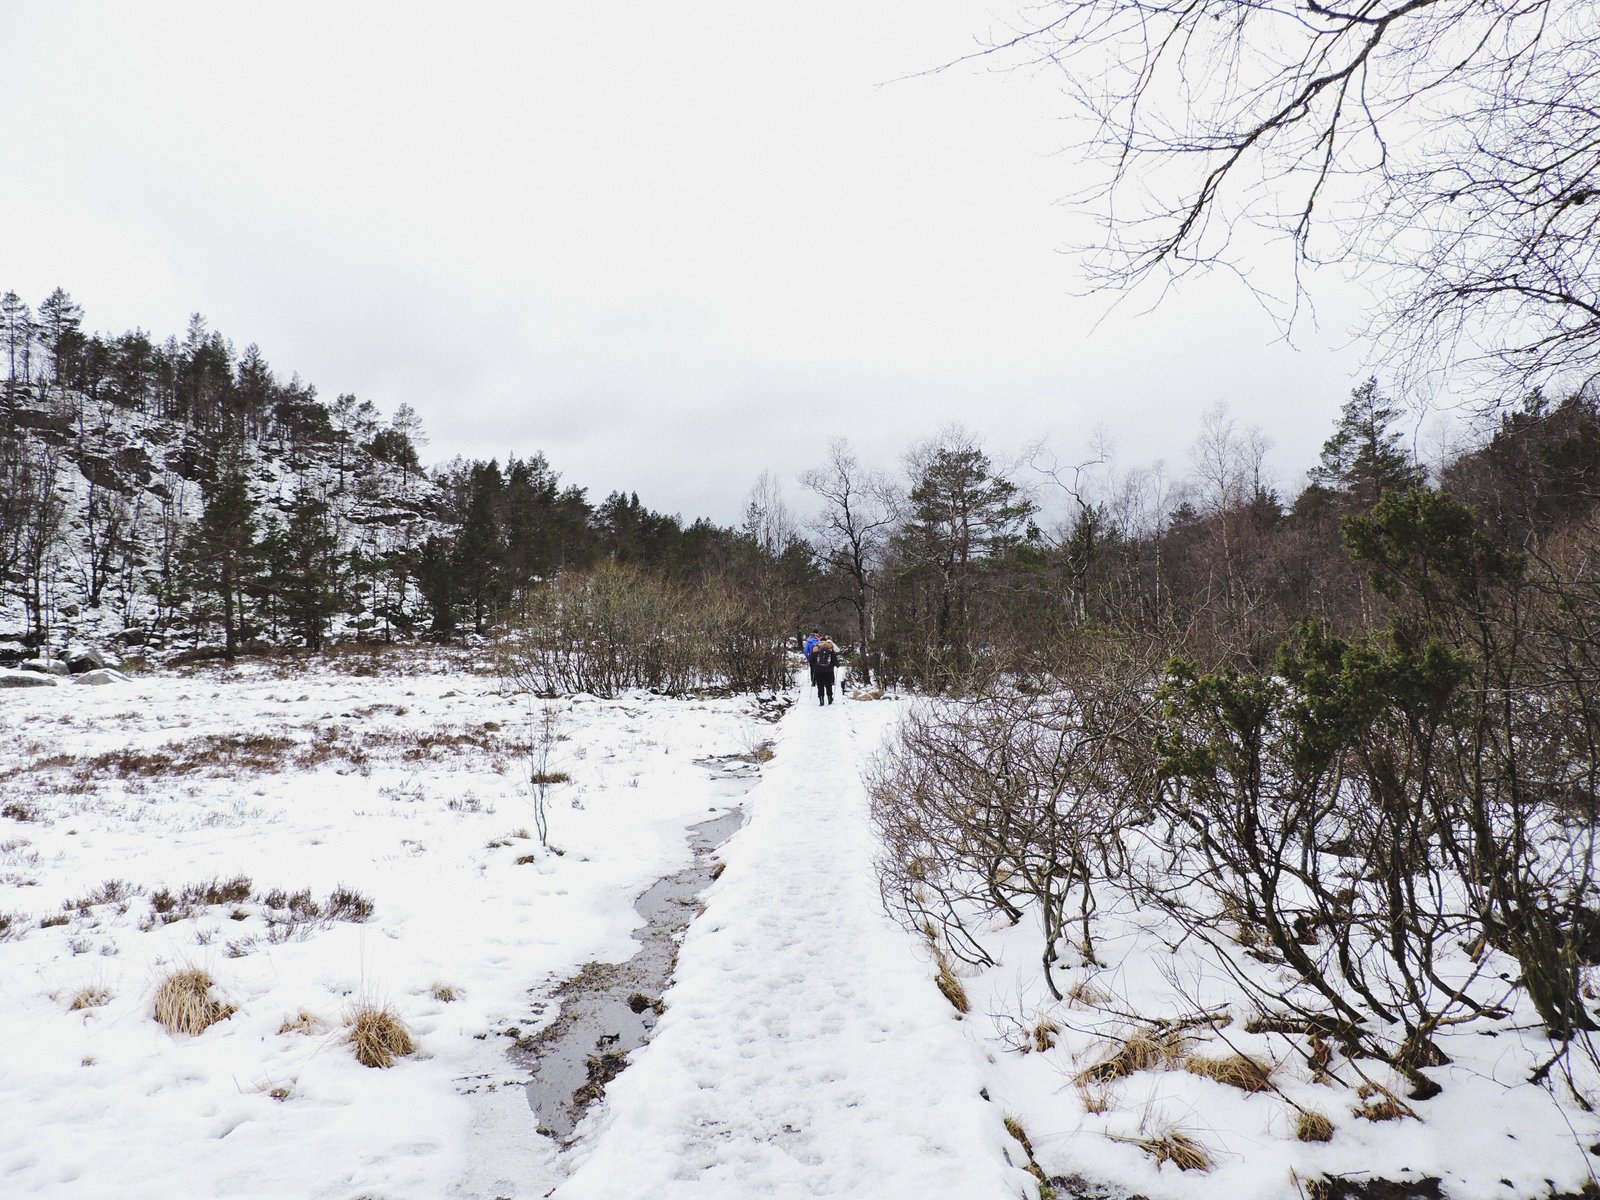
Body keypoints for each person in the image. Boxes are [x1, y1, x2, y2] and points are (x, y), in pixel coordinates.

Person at [812, 637, 839, 706]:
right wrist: (836, 665)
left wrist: (814, 666)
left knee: (820, 686)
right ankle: (830, 698)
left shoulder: (816, 651)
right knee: (828, 685)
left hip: (818, 671)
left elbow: (810, 660)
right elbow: (836, 662)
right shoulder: (831, 652)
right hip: (829, 671)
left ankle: (821, 700)